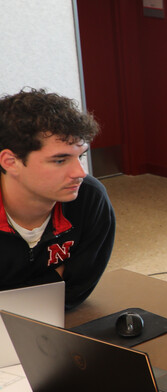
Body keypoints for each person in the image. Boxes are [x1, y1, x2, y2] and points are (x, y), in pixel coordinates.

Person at [0, 88, 115, 309]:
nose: (80, 173)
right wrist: (56, 277)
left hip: (59, 320)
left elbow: (76, 290)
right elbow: (61, 286)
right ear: (10, 162)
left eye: (80, 156)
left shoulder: (90, 197)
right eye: (60, 160)